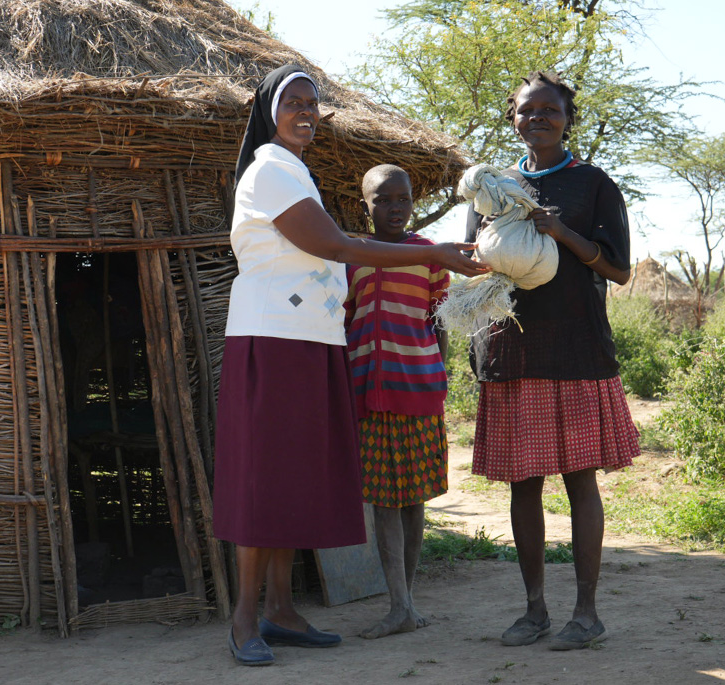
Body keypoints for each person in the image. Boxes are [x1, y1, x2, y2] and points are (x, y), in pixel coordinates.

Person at [213, 65, 488, 667]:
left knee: (294, 475)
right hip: (272, 337)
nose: (307, 112)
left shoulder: (296, 174)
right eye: (295, 103)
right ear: (270, 110)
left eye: (315, 103)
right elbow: (335, 246)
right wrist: (432, 252)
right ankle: (243, 620)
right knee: (263, 478)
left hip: (312, 340)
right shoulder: (268, 173)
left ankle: (281, 609)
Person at [464, 71, 640, 651]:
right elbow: (476, 263)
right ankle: (534, 610)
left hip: (574, 351)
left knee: (579, 481)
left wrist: (560, 231)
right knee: (523, 486)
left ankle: (586, 613)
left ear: (569, 119)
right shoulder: (493, 185)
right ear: (511, 119)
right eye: (525, 111)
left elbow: (617, 269)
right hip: (512, 349)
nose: (536, 118)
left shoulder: (592, 185)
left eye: (549, 110)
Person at [344, 165, 449, 639]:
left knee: (414, 497)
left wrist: (438, 376)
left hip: (419, 389)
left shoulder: (430, 255)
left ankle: (405, 604)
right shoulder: (350, 256)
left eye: (403, 199)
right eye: (383, 200)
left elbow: (440, 321)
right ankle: (400, 605)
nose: (395, 208)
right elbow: (342, 325)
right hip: (368, 391)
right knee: (384, 500)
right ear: (363, 205)